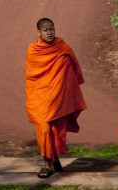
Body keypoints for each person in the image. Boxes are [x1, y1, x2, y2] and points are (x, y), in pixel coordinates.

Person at [25, 18, 86, 178]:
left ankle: (52, 161)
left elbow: (71, 71)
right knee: (43, 127)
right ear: (38, 32)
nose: (49, 32)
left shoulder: (63, 48)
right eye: (45, 30)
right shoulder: (33, 50)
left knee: (55, 128)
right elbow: (31, 77)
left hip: (58, 97)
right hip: (40, 97)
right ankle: (48, 163)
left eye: (52, 29)